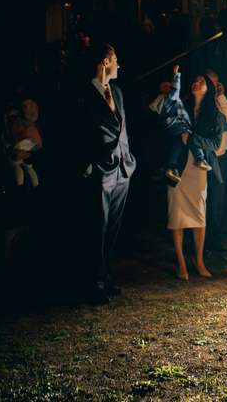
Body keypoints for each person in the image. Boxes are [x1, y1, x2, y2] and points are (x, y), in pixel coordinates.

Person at [70, 43, 136, 305]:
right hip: (99, 168)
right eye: (116, 60)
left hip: (121, 169)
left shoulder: (117, 92)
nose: (119, 65)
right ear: (105, 61)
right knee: (97, 227)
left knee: (113, 227)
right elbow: (74, 131)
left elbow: (123, 128)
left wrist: (129, 160)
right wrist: (86, 164)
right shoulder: (82, 93)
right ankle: (92, 284)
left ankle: (106, 277)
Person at [166, 73, 226, 280]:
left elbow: (215, 145)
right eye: (195, 79)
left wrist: (193, 139)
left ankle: (198, 259)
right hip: (177, 165)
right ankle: (180, 260)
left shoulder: (216, 115)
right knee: (177, 212)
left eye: (202, 81)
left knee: (199, 213)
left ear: (209, 88)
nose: (197, 82)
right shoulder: (179, 106)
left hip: (199, 168)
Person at [148, 65, 211, 183]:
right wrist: (175, 74)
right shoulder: (171, 97)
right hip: (179, 125)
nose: (169, 87)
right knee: (191, 138)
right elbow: (176, 88)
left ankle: (172, 168)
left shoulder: (158, 102)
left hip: (170, 128)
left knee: (176, 146)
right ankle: (201, 158)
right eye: (166, 86)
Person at [203, 70, 227, 253]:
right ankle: (201, 240)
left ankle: (214, 240)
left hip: (220, 156)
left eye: (217, 84)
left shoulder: (219, 102)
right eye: (211, 84)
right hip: (204, 156)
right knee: (203, 199)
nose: (213, 88)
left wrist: (221, 97)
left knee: (217, 199)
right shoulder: (201, 102)